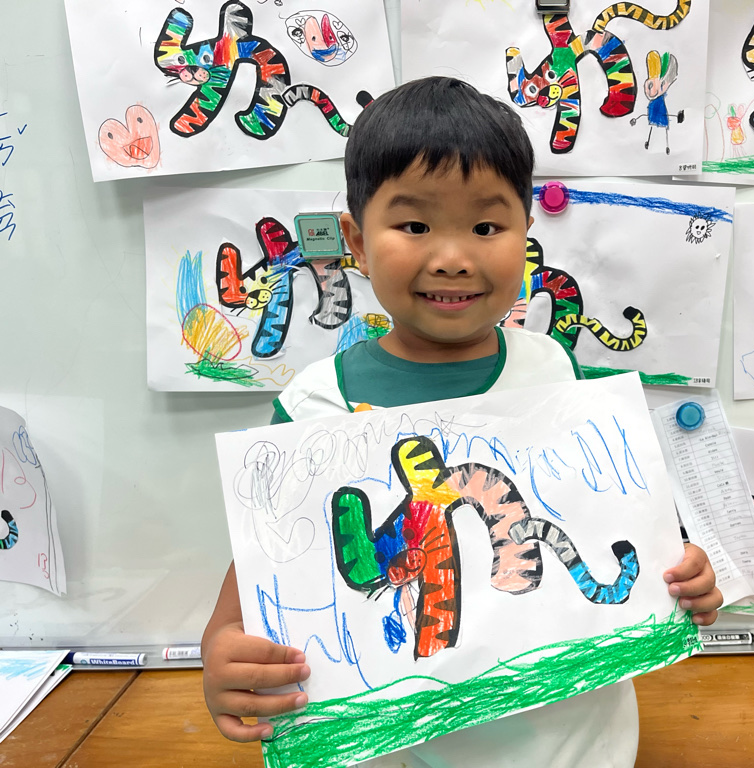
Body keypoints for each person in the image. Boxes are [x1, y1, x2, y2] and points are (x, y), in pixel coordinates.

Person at [201, 75, 724, 767]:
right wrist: (223, 657)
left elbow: (643, 539)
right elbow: (250, 598)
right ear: (356, 241)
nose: (453, 257)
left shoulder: (562, 374)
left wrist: (688, 576)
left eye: (486, 227)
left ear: (526, 234)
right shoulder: (313, 406)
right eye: (414, 226)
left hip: (578, 749)